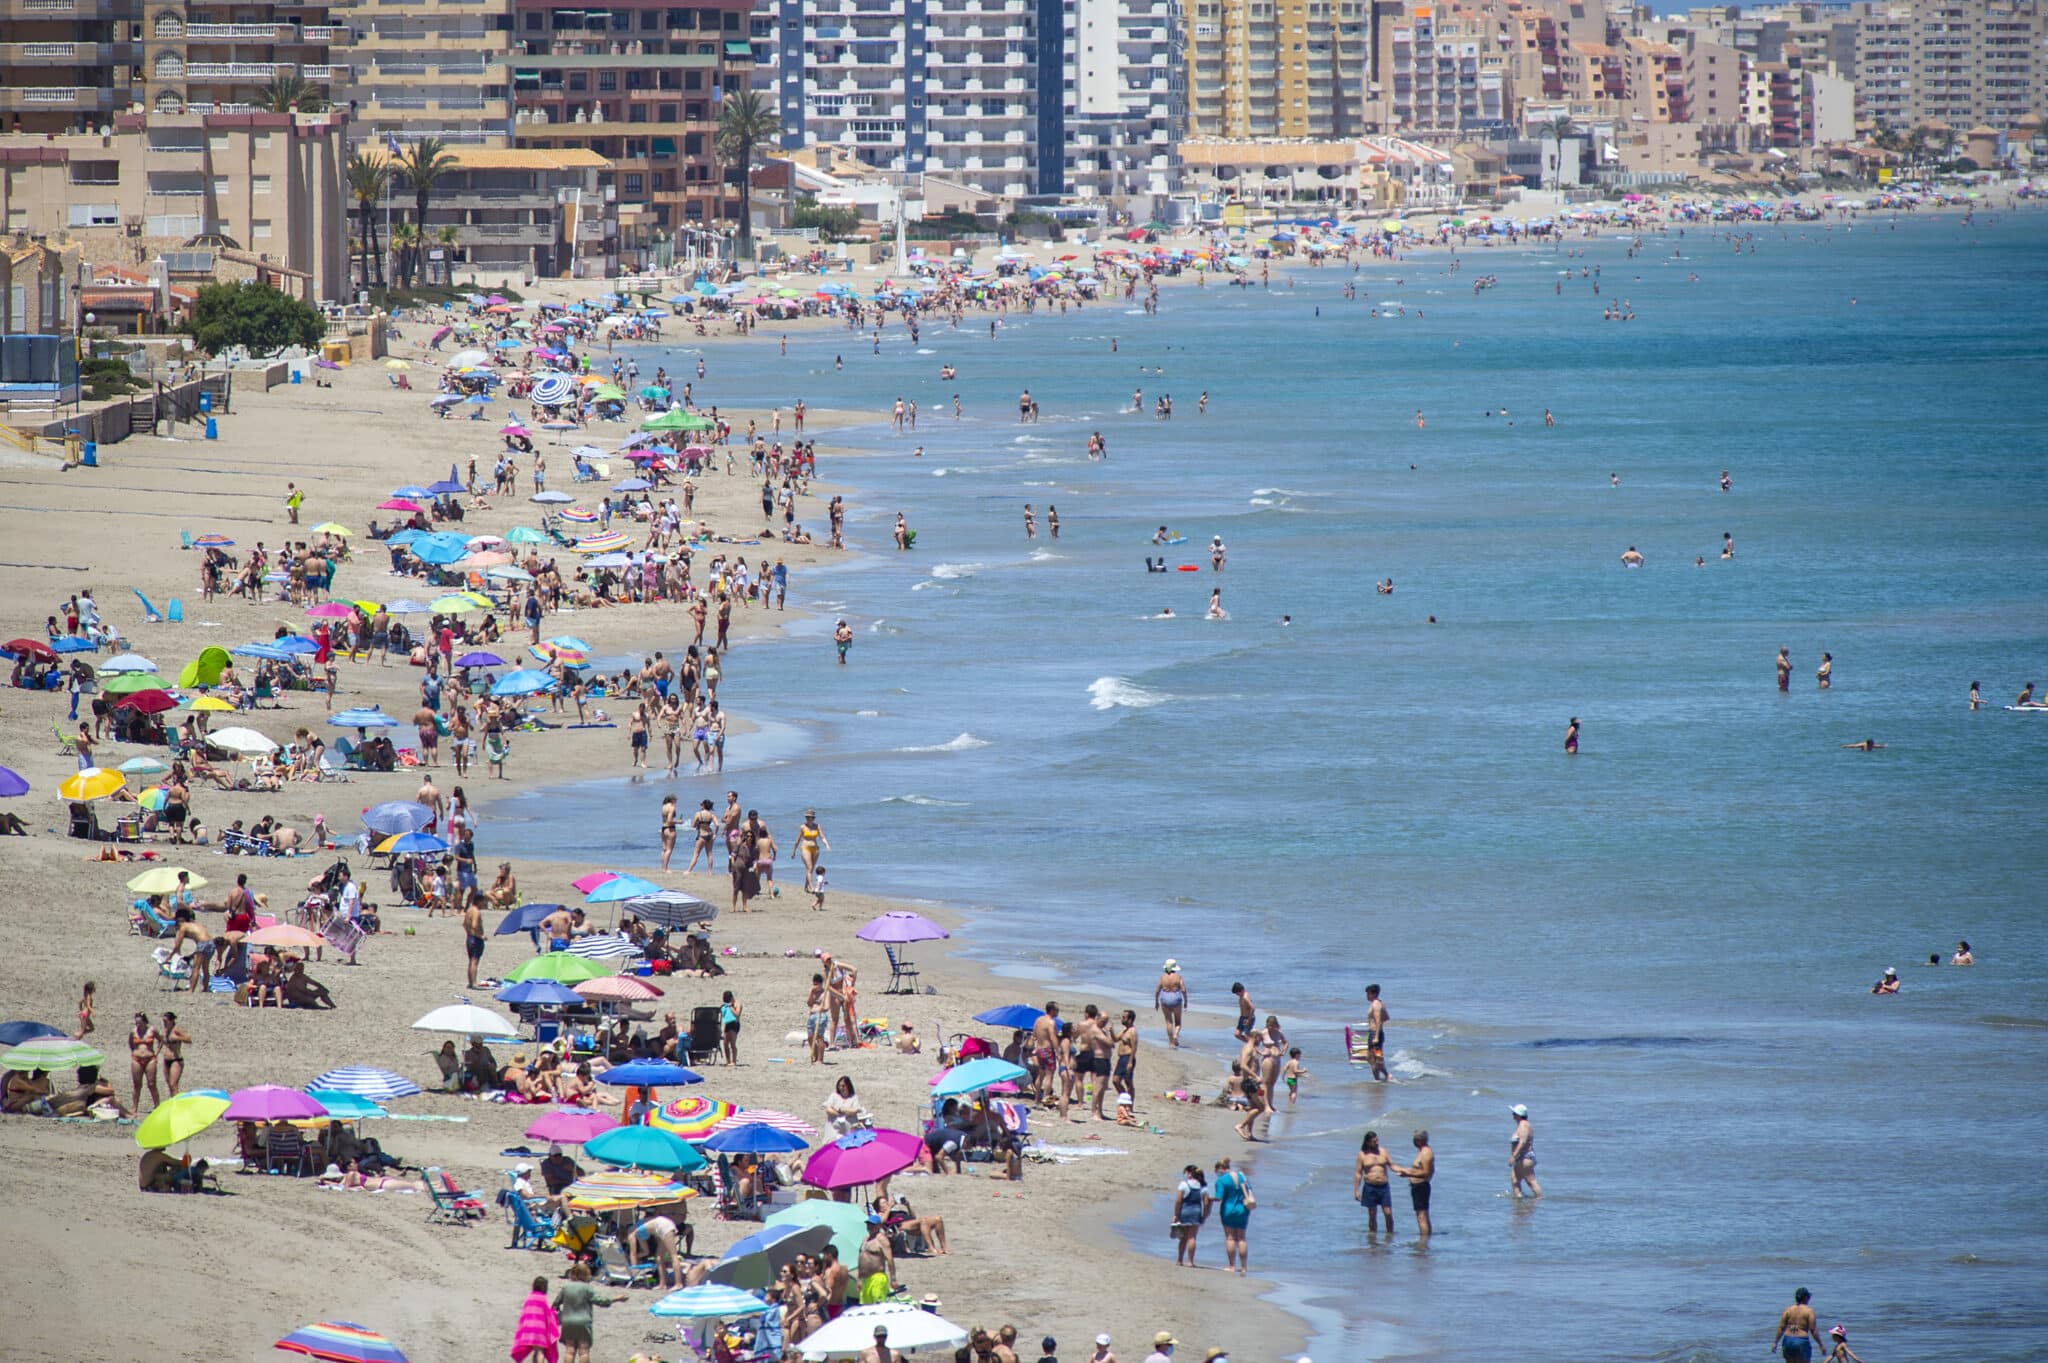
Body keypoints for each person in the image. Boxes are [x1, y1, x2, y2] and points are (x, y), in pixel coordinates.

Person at [551, 1263, 611, 1363]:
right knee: (584, 1352)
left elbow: (556, 1303)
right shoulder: (587, 1288)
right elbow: (599, 1300)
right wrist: (613, 1299)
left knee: (569, 1351)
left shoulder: (566, 1287)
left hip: (568, 1321)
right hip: (583, 1322)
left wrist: (556, 1310)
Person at [1212, 1157, 1252, 1276]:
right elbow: (1249, 1192)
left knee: (1230, 1238)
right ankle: (1244, 1267)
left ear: (1220, 1169)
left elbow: (1218, 1197)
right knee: (1242, 1239)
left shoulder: (1221, 1180)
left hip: (1228, 1209)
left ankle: (1232, 1266)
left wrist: (1208, 1199)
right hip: (1243, 1209)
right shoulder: (1242, 1177)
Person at [1394, 1129, 1435, 1237]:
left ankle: (1423, 1241)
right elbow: (1419, 1169)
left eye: (1414, 1139)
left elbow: (1426, 1173)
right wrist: (1407, 1171)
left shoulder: (1426, 1153)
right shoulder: (1422, 1151)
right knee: (1423, 1214)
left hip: (1421, 1186)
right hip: (1418, 1186)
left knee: (1421, 1216)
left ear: (1418, 1140)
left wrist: (1408, 1174)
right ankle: (1426, 1239)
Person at [511, 1276, 561, 1363]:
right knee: (540, 1351)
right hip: (540, 1329)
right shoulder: (543, 1298)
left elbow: (525, 1313)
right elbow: (547, 1315)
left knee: (535, 1350)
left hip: (529, 1329)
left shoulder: (529, 1297)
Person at [1354, 1131, 1395, 1232]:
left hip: (1383, 1186)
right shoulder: (1362, 1155)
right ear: (1368, 1142)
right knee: (1372, 1214)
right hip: (1370, 1187)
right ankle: (1372, 1239)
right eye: (1374, 1141)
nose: (1377, 1142)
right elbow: (1358, 1173)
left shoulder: (1383, 1151)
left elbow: (1392, 1165)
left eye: (1377, 1140)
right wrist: (1356, 1190)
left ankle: (1389, 1236)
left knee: (1388, 1213)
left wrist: (1402, 1171)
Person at [1770, 1288, 1823, 1363]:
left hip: (1788, 1340)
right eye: (1808, 1297)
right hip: (1801, 1341)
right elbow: (1813, 1330)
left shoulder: (1788, 1310)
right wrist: (1820, 1345)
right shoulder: (1809, 1311)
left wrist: (1775, 1343)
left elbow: (1781, 1328)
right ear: (1805, 1298)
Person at [1171, 1164, 1209, 1266]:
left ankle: (1179, 1260)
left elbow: (1178, 1201)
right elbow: (1206, 1203)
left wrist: (1176, 1214)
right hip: (1196, 1212)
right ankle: (1190, 1261)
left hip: (1184, 1211)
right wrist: (1204, 1215)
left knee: (1183, 1237)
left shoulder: (1183, 1184)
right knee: (1192, 1237)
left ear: (1190, 1173)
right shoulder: (1203, 1187)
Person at [1508, 1103, 1542, 1198]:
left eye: (1514, 1113)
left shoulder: (1523, 1125)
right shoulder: (1521, 1125)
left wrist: (1513, 1156)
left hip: (1526, 1157)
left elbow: (1522, 1142)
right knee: (1514, 1180)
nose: (1512, 1115)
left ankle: (1539, 1200)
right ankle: (1519, 1203)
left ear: (1519, 1114)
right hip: (1520, 1158)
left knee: (1531, 1181)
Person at [1155, 959, 1186, 1048]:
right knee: (1178, 1022)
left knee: (1168, 1022)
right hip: (1176, 998)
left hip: (1165, 998)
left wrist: (1156, 1002)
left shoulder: (1162, 977)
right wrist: (1186, 1002)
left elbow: (1157, 991)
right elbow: (1183, 990)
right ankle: (1175, 1035)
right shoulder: (1178, 977)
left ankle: (1171, 1043)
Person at [1362, 984, 1390, 1082]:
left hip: (1375, 1034)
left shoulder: (1376, 1005)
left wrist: (1376, 1036)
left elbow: (1378, 1021)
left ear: (1372, 993)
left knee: (1374, 1059)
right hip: (1374, 1033)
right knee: (1371, 1058)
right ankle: (1382, 1078)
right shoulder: (1380, 1003)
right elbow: (1386, 1017)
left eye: (1367, 993)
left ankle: (1381, 1079)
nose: (1366, 996)